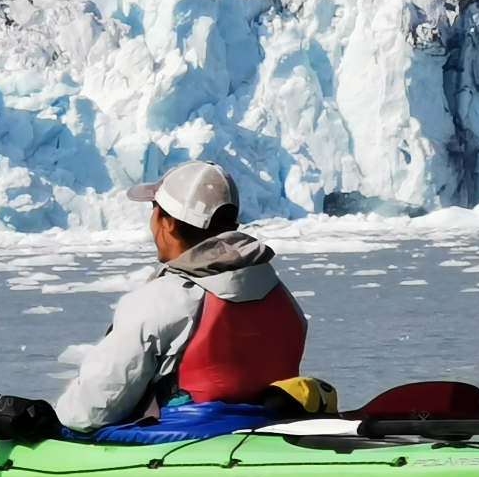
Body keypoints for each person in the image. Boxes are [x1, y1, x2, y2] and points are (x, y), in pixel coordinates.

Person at [53, 161, 306, 433]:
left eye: (155, 211)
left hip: (178, 445)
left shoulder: (162, 300)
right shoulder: (278, 293)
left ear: (169, 222)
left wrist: (62, 408)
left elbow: (90, 411)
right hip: (268, 434)